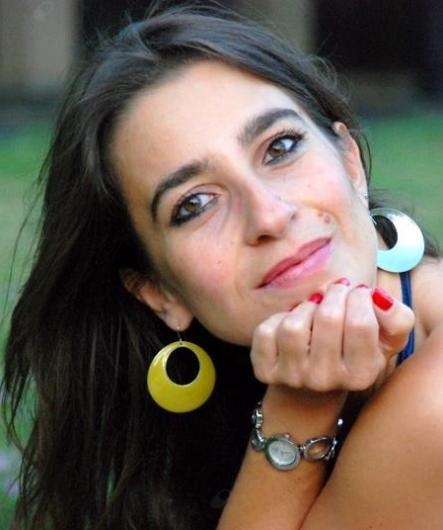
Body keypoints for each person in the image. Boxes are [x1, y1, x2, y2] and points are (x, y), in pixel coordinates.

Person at [2, 4, 443, 529]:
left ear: (350, 161)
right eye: (195, 204)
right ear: (157, 292)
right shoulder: (216, 402)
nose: (269, 215)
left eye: (280, 147)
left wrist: (296, 413)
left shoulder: (433, 405)